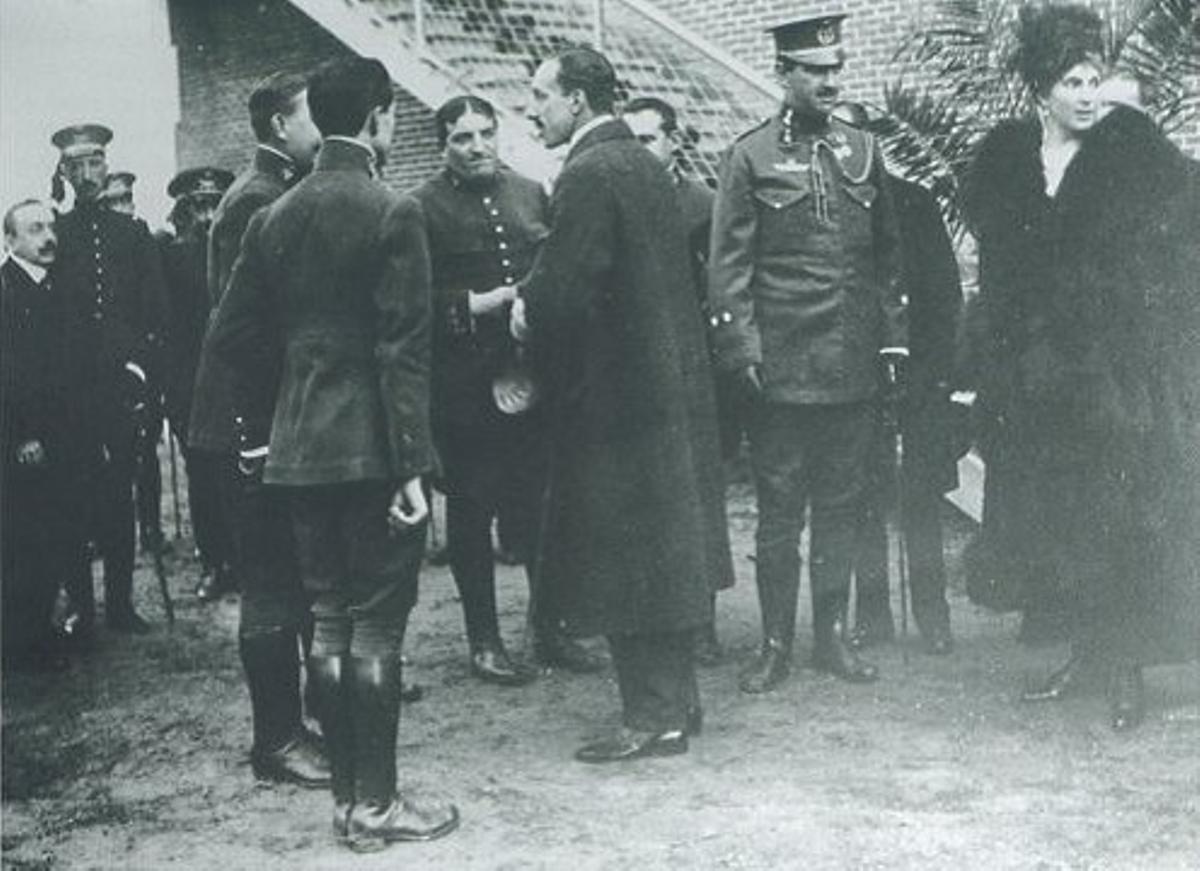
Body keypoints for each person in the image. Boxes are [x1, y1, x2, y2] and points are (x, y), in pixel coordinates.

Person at [209, 56, 459, 848]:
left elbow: (229, 338)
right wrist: (414, 465)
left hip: (298, 454)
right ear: (382, 117)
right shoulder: (393, 210)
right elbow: (402, 352)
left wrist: (292, 398)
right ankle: (377, 807)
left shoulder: (271, 216)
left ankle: (351, 804)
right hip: (374, 455)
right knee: (378, 629)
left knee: (328, 623)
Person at [964, 3, 1200, 731]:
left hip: (1118, 378)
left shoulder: (1134, 149)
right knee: (1065, 523)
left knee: (1124, 517)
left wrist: (1151, 320)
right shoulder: (1004, 160)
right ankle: (1090, 656)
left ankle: (1127, 668)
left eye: (1096, 78)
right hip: (1039, 381)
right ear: (1042, 88)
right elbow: (999, 275)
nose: (1090, 94)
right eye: (1073, 81)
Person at [516, 46, 734, 763]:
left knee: (623, 556)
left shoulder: (585, 173)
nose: (533, 107)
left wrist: (524, 311)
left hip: (614, 404)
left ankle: (652, 717)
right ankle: (677, 703)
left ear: (578, 99)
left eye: (542, 95)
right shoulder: (643, 163)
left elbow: (563, 292)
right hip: (665, 392)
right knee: (663, 551)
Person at [708, 14, 905, 693]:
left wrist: (891, 337)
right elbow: (728, 263)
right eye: (814, 70)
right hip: (782, 371)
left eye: (834, 69)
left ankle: (831, 640)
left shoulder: (863, 151)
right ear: (783, 75)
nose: (828, 80)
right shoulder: (750, 156)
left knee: (842, 506)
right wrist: (742, 346)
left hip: (850, 364)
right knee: (780, 511)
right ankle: (774, 645)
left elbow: (886, 258)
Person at [410, 95, 602, 685]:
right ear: (443, 144)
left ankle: (550, 629)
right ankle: (485, 641)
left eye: (486, 134)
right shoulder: (421, 208)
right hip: (466, 390)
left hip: (533, 377)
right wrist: (477, 304)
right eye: (462, 137)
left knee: (543, 508)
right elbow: (412, 301)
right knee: (472, 516)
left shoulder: (530, 194)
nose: (477, 147)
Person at [189, 73, 328, 785]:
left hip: (269, 418)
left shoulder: (276, 193)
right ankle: (275, 740)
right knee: (272, 582)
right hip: (251, 422)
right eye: (311, 117)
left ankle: (301, 721)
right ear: (279, 125)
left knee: (292, 578)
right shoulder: (254, 201)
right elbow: (243, 331)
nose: (320, 127)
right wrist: (259, 433)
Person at [831, 102, 963, 657]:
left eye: (854, 139)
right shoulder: (828, 210)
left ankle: (933, 614)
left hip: (916, 377)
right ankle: (874, 614)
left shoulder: (915, 202)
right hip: (854, 383)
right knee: (862, 498)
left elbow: (945, 294)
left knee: (920, 498)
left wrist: (930, 372)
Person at [51, 123, 167, 636]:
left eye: (94, 161)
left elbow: (154, 311)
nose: (87, 173)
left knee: (121, 494)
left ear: (107, 164)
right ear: (65, 172)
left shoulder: (133, 235)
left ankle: (120, 604)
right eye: (75, 165)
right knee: (74, 495)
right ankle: (81, 605)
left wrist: (140, 369)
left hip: (122, 386)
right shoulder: (57, 234)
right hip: (73, 390)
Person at [623, 94, 727, 667]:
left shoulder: (700, 204)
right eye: (631, 139)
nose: (641, 150)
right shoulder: (622, 199)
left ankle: (703, 620)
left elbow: (720, 284)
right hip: (639, 374)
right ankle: (662, 620)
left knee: (700, 497)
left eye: (649, 140)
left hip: (694, 372)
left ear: (673, 143)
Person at [1, 200, 74, 671]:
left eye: (50, 227)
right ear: (11, 242)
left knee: (55, 534)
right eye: (34, 230)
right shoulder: (6, 293)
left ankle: (40, 630)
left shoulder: (57, 288)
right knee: (23, 540)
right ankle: (18, 642)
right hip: (24, 445)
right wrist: (22, 436)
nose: (48, 237)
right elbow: (7, 374)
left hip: (61, 438)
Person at [161, 167, 236, 593]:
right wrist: (174, 393)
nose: (208, 215)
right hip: (193, 386)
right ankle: (214, 563)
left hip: (239, 381)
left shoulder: (241, 248)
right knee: (204, 478)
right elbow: (167, 327)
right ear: (185, 211)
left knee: (242, 475)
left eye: (214, 204)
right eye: (199, 206)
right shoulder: (174, 257)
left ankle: (246, 559)